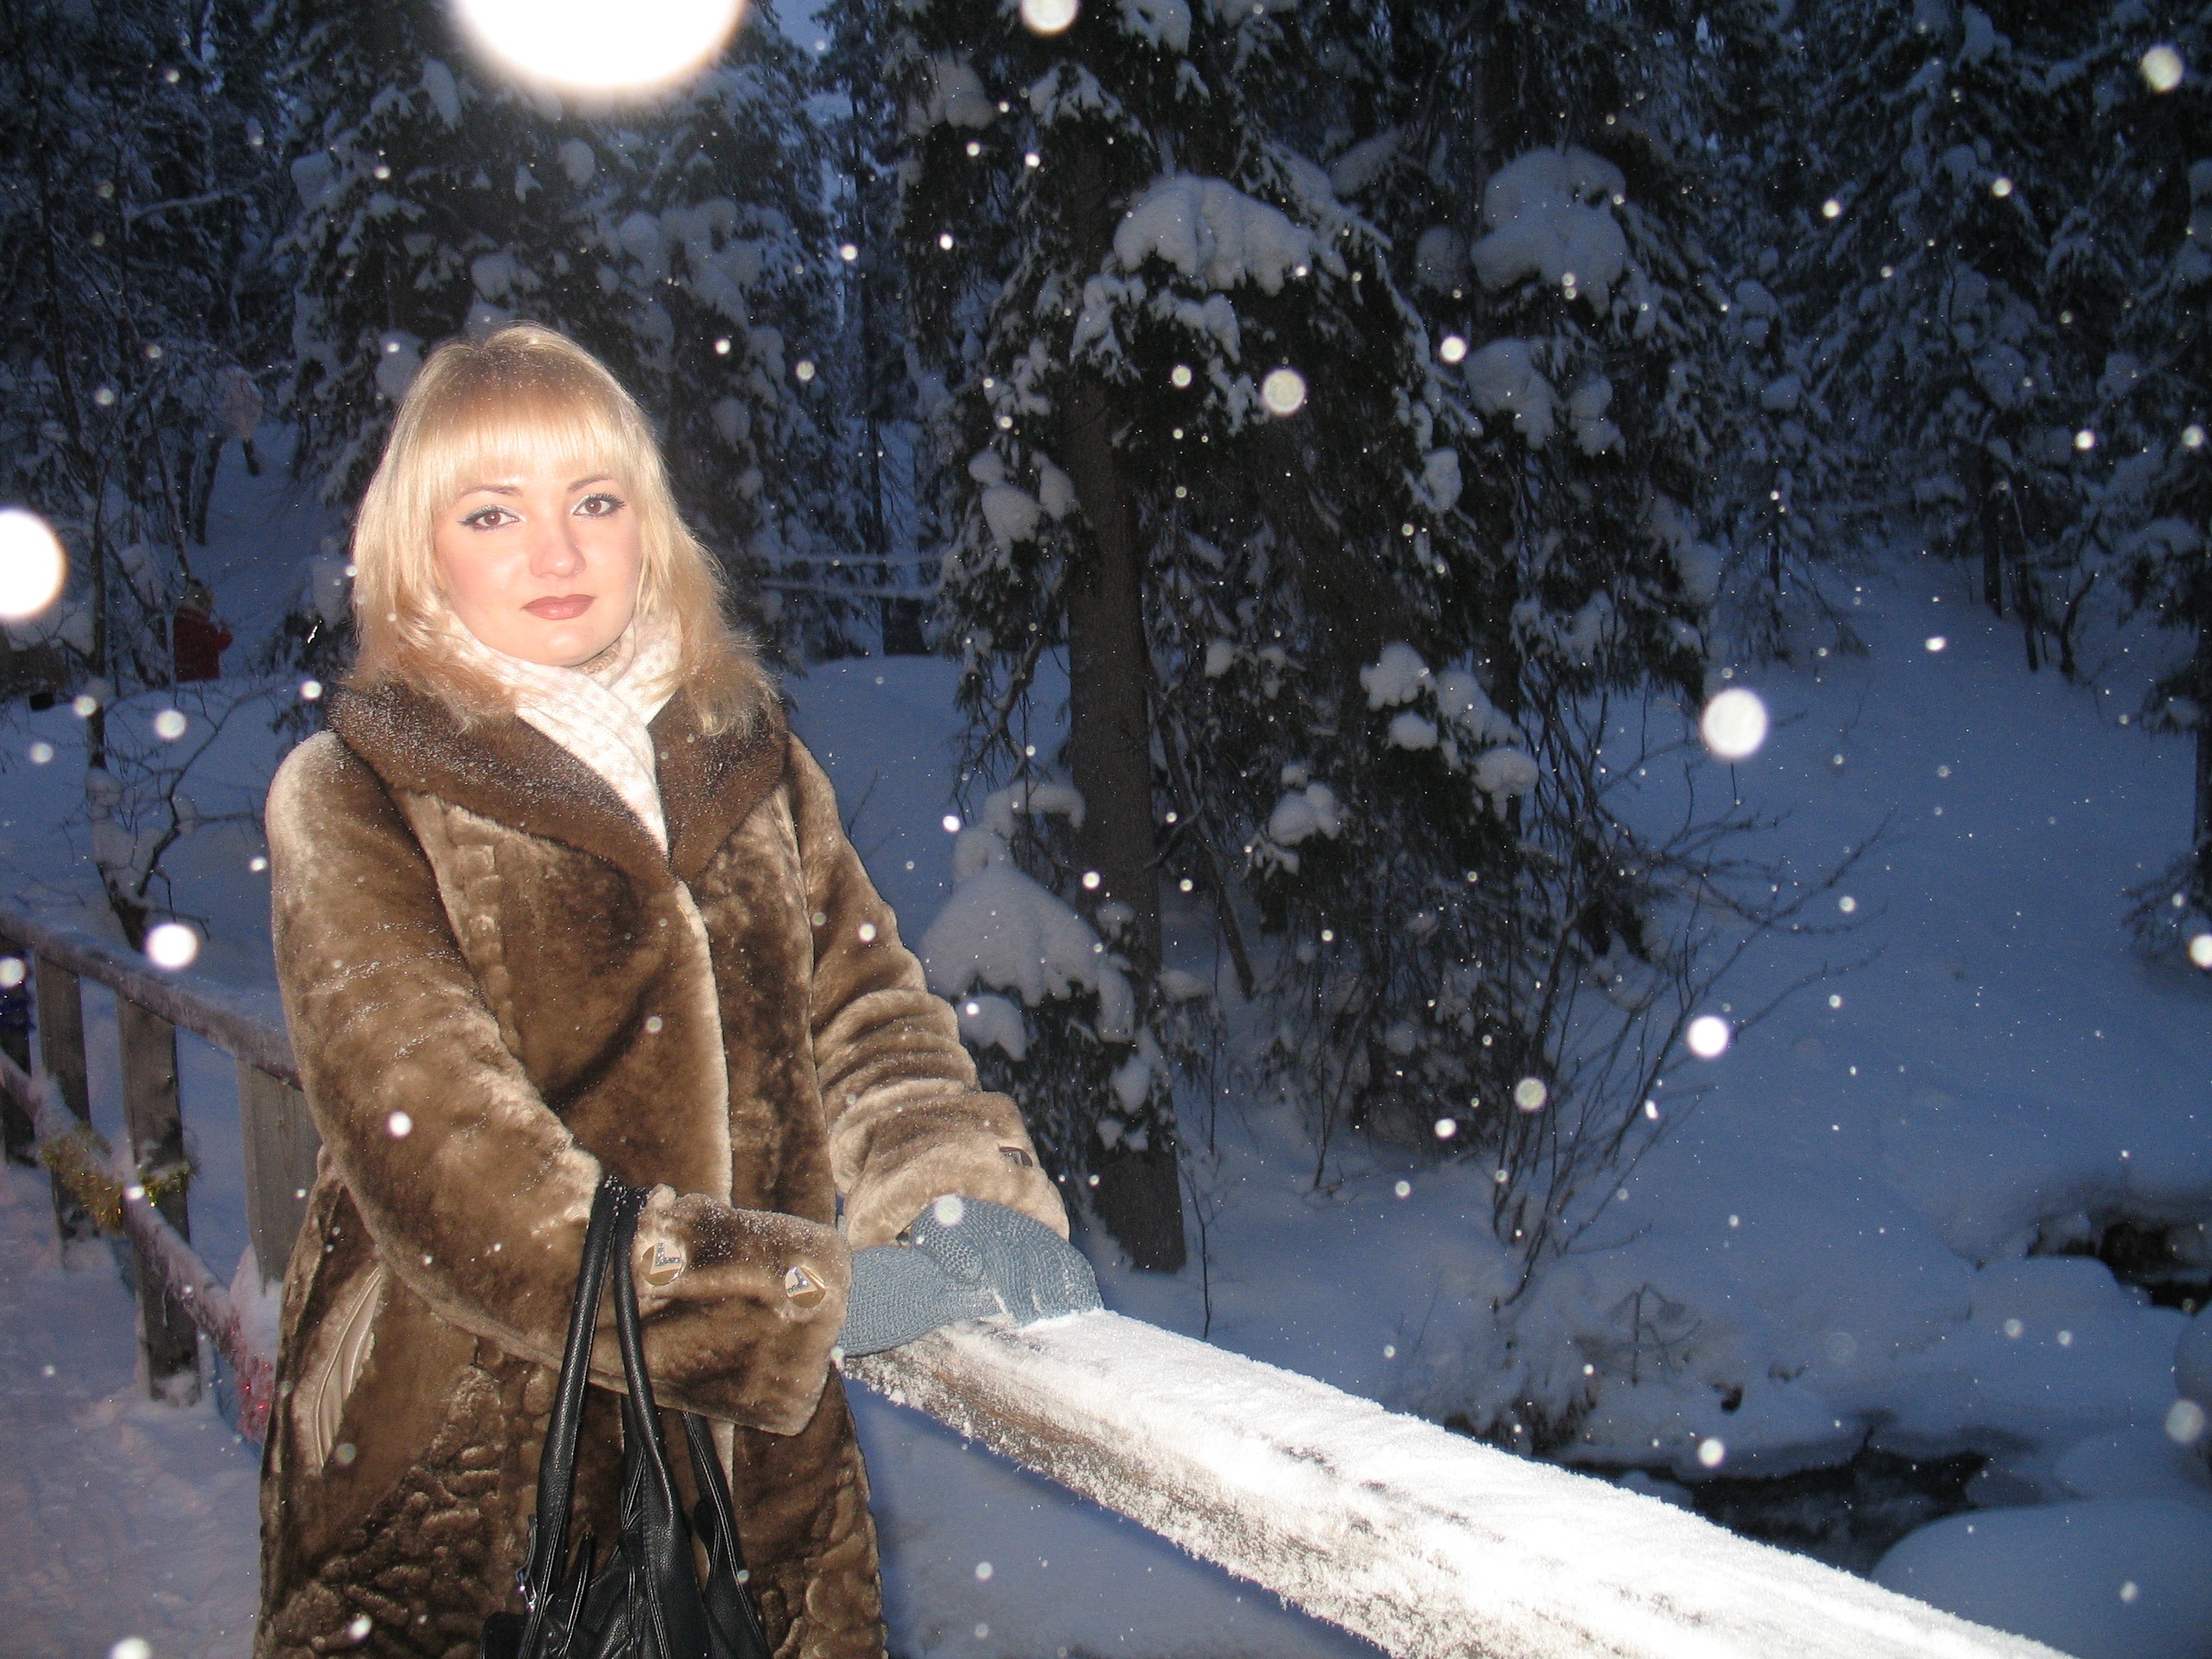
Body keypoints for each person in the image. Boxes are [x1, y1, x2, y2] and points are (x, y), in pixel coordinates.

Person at [257, 323, 1076, 1658]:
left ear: (649, 525)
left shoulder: (744, 761)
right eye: (492, 512)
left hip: (756, 1480)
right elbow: (450, 1165)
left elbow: (868, 1019)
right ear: (419, 552)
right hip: (475, 1475)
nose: (558, 552)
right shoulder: (355, 795)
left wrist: (955, 1195)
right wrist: (793, 1304)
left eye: (595, 500)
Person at [171, 579, 232, 682]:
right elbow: (210, 647)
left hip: (187, 678)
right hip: (202, 679)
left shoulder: (182, 622)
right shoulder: (197, 626)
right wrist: (225, 635)